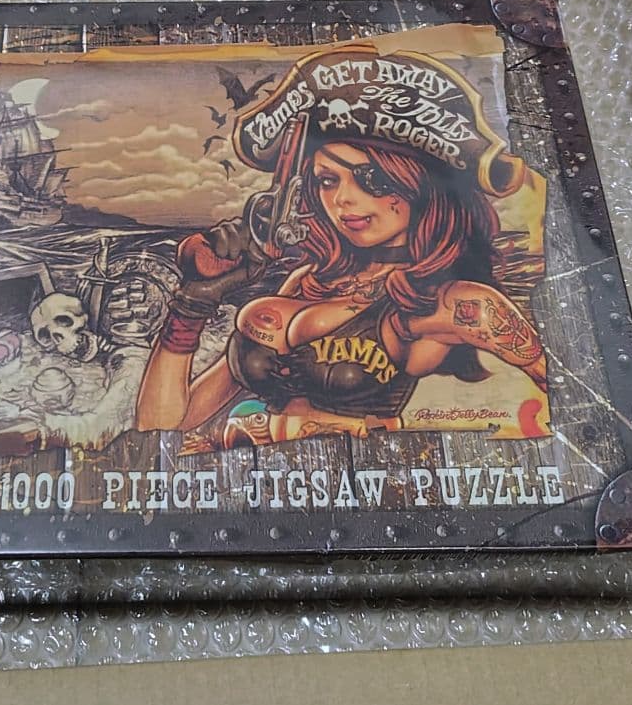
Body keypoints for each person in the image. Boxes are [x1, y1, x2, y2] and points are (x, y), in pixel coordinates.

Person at [136, 41, 548, 445]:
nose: (342, 200)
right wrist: (194, 302)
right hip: (262, 479)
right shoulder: (307, 281)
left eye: (372, 179)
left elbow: (559, 388)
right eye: (328, 180)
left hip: (360, 476)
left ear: (421, 186)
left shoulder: (455, 302)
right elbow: (164, 426)